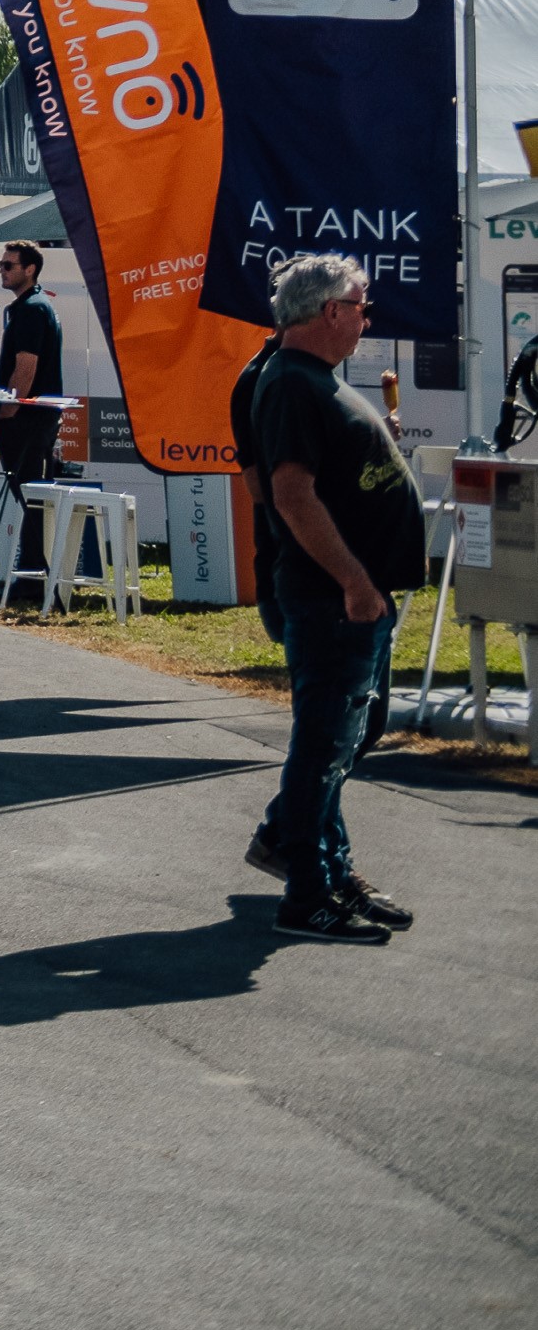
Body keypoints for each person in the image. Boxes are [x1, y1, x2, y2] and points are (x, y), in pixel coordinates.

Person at [233, 253, 425, 940]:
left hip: (358, 597)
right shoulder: (288, 382)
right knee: (324, 742)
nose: (366, 317)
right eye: (360, 305)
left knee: (353, 736)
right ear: (329, 311)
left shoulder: (313, 378)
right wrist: (351, 579)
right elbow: (288, 491)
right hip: (333, 598)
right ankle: (307, 891)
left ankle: (323, 863)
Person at [0, 240, 70, 506]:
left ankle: (37, 549)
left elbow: (25, 369)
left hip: (27, 420)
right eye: (1, 264)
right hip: (35, 418)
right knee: (32, 500)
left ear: (30, 269)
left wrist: (7, 413)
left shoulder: (32, 309)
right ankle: (36, 549)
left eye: (9, 265)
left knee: (32, 499)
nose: (2, 270)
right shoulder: (34, 305)